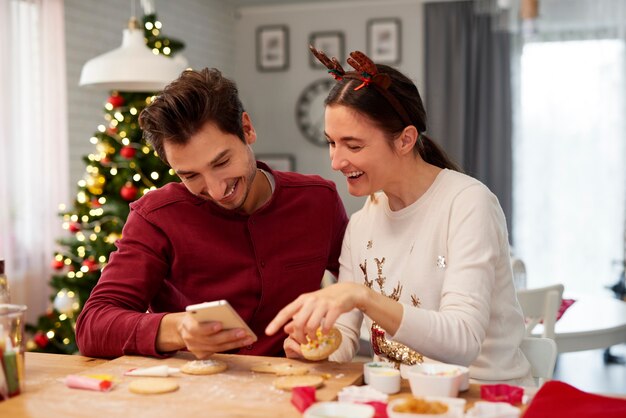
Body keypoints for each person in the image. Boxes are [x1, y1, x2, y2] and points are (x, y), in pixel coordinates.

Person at [266, 48, 532, 384]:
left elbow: (463, 342)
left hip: (484, 399)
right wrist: (315, 346)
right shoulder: (362, 223)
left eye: (353, 145)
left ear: (405, 139)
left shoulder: (467, 203)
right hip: (403, 398)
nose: (336, 161)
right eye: (332, 143)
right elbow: (345, 338)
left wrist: (364, 297)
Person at [75, 68, 348, 359]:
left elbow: (360, 289)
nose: (217, 191)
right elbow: (92, 326)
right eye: (191, 176)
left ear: (247, 129)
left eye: (222, 162)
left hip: (294, 386)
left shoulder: (319, 201)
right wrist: (178, 329)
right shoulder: (155, 217)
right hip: (193, 393)